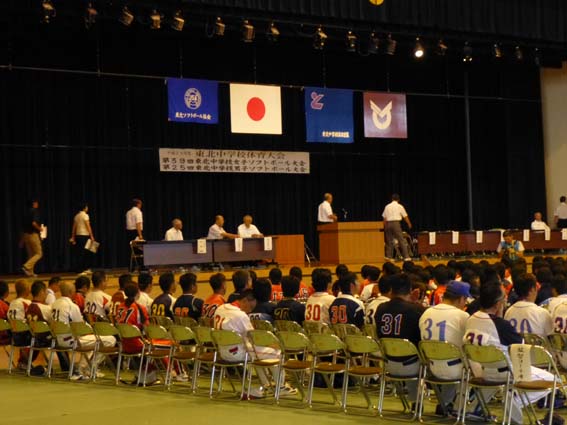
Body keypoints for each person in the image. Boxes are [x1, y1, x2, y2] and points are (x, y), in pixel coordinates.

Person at [464, 281, 555, 425]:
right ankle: (513, 403)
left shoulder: (471, 318)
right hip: (505, 372)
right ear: (498, 303)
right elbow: (521, 351)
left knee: (501, 372)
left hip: (482, 369)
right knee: (555, 381)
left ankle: (476, 407)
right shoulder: (501, 325)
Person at [213, 289, 296, 398]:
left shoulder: (221, 308)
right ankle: (280, 387)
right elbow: (254, 338)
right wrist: (270, 344)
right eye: (250, 307)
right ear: (245, 300)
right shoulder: (240, 315)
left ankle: (266, 384)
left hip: (222, 352)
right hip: (237, 353)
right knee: (277, 351)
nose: (250, 310)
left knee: (257, 353)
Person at [419, 281, 471, 415]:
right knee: (474, 361)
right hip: (455, 369)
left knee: (450, 355)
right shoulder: (462, 316)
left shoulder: (426, 313)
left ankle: (445, 403)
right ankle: (462, 407)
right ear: (461, 298)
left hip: (431, 368)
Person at [375, 273, 424, 406]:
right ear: (410, 290)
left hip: (388, 363)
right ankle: (440, 403)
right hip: (411, 365)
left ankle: (415, 400)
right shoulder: (416, 309)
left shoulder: (380, 309)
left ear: (391, 290)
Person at [52, 281, 115, 380]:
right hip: (72, 341)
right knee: (110, 340)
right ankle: (89, 368)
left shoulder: (54, 304)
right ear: (71, 292)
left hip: (57, 340)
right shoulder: (71, 306)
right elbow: (80, 327)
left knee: (92, 341)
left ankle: (83, 368)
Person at [382, 194, 412, 261]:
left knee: (389, 240)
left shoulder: (387, 206)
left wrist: (384, 226)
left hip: (388, 224)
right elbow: (405, 216)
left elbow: (384, 217)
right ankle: (406, 256)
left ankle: (389, 256)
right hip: (396, 224)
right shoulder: (400, 206)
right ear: (398, 200)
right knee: (401, 239)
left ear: (392, 199)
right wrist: (409, 223)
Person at [69, 202, 95, 273]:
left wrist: (73, 237)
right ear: (84, 208)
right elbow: (88, 226)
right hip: (85, 236)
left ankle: (84, 269)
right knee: (84, 253)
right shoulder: (85, 215)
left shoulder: (76, 216)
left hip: (78, 236)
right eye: (87, 207)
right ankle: (80, 270)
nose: (87, 208)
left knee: (82, 253)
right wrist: (92, 236)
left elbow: (73, 228)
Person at [21, 198, 43, 277]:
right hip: (33, 234)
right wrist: (40, 228)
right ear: (34, 204)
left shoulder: (25, 212)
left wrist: (22, 240)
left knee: (31, 254)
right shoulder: (34, 211)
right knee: (39, 253)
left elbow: (23, 227)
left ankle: (30, 273)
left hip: (26, 235)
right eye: (36, 202)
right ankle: (26, 266)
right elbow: (33, 223)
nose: (37, 204)